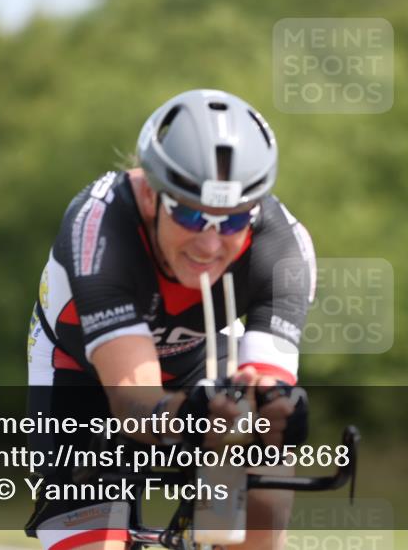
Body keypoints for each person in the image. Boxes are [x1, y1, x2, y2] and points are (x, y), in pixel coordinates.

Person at [25, 89, 316, 550]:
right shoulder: (101, 227)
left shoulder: (283, 249)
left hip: (201, 360)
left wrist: (277, 410)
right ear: (149, 192)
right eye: (189, 212)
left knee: (266, 472)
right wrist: (187, 415)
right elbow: (133, 403)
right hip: (84, 375)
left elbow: (266, 380)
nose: (209, 243)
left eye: (232, 219)